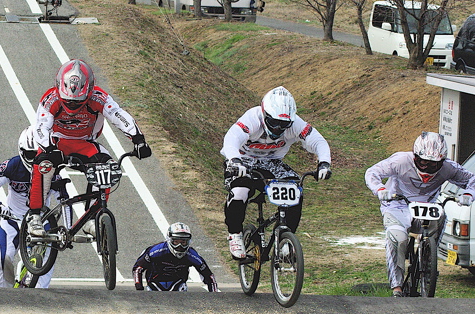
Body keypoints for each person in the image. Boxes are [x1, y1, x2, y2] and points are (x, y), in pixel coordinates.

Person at [27, 59, 152, 236]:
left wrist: (138, 139)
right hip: (56, 143)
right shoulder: (51, 98)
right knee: (42, 164)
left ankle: (91, 218)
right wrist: (48, 149)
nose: (72, 106)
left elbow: (118, 115)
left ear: (89, 91)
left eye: (78, 102)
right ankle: (35, 215)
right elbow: (40, 127)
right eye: (68, 102)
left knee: (108, 167)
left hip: (85, 144)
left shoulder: (99, 97)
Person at [221, 86, 332, 259]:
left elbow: (318, 141)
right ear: (265, 114)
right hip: (243, 160)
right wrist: (234, 159)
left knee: (296, 191)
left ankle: (285, 241)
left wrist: (324, 162)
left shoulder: (296, 123)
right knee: (239, 191)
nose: (279, 128)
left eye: (284, 125)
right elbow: (231, 138)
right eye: (275, 123)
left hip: (271, 163)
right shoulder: (252, 118)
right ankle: (235, 234)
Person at [365, 131, 475, 297]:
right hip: (397, 205)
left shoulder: (449, 168)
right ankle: (396, 287)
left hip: (428, 207)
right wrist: (380, 189)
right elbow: (372, 172)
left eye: (433, 165)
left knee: (441, 216)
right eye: (423, 162)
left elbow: (473, 180)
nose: (427, 168)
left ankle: (428, 260)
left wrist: (469, 195)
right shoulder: (400, 160)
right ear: (415, 157)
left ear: (442, 161)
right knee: (397, 239)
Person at [0, 126, 66, 288]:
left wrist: (66, 228)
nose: (36, 160)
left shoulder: (51, 170)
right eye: (31, 155)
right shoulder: (12, 166)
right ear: (21, 151)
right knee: (0, 261)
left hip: (42, 223)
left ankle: (40, 298)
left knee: (46, 265)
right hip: (12, 220)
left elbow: (64, 200)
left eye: (39, 155)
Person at [133, 222, 218, 292]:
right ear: (169, 240)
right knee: (153, 290)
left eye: (183, 242)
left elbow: (209, 276)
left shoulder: (192, 255)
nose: (180, 246)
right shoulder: (156, 251)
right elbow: (138, 268)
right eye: (176, 242)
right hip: (155, 284)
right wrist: (139, 288)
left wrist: (214, 296)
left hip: (178, 285)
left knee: (181, 288)